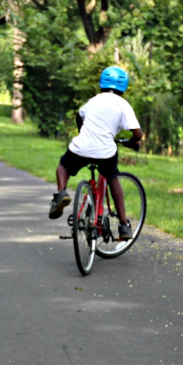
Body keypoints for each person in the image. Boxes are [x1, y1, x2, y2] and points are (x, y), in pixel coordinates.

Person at [49, 66, 142, 240]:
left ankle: (61, 193)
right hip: (105, 151)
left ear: (102, 84)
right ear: (123, 87)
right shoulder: (123, 105)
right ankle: (123, 225)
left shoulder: (94, 100)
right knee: (112, 178)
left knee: (63, 167)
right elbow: (138, 134)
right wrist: (131, 143)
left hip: (81, 147)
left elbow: (79, 115)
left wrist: (82, 131)